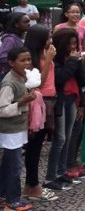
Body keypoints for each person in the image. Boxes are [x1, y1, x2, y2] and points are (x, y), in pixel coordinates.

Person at [44, 28, 85, 191]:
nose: (72, 47)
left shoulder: (73, 58)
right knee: (60, 138)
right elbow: (61, 78)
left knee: (68, 137)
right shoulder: (54, 59)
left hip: (73, 99)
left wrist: (78, 62)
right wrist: (71, 62)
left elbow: (84, 80)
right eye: (69, 44)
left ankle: (61, 171)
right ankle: (50, 176)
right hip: (60, 100)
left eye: (74, 43)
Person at [22, 25, 59, 202]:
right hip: (39, 102)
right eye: (48, 36)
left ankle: (31, 185)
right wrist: (50, 58)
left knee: (38, 145)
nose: (50, 39)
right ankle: (33, 185)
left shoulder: (46, 53)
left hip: (50, 100)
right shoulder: (32, 58)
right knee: (34, 147)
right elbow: (37, 83)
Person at [0, 47, 37, 211]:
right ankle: (13, 201)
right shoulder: (9, 83)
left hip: (19, 128)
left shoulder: (23, 77)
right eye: (22, 60)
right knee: (14, 166)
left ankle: (3, 196)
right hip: (10, 131)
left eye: (28, 59)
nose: (27, 63)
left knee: (9, 165)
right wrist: (22, 102)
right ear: (11, 63)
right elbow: (2, 110)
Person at [0, 13, 29, 78]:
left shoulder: (18, 37)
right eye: (25, 22)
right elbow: (3, 58)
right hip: (10, 75)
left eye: (29, 21)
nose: (29, 24)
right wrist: (16, 67)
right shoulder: (10, 39)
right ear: (16, 25)